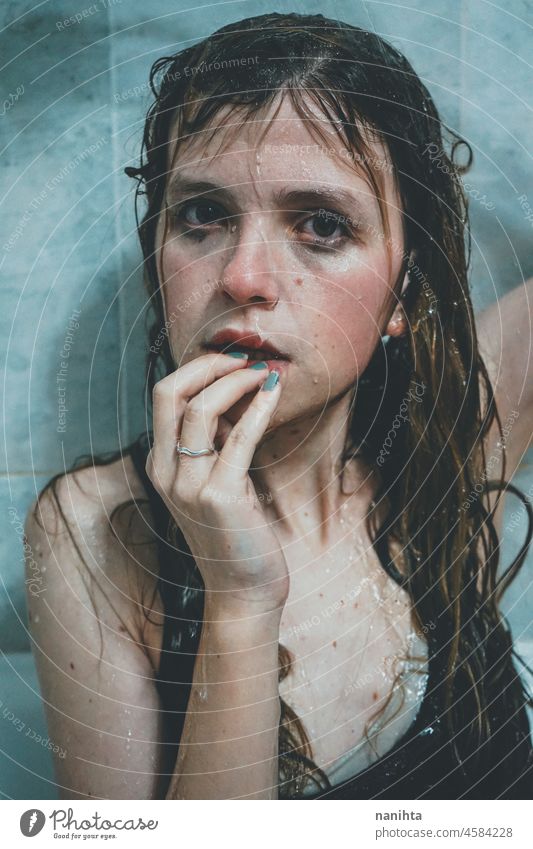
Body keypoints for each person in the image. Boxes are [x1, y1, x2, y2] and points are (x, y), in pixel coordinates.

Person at [24, 12, 533, 800]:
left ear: (402, 291)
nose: (243, 277)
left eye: (322, 225)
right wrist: (238, 599)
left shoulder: (450, 445)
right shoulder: (93, 531)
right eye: (202, 214)